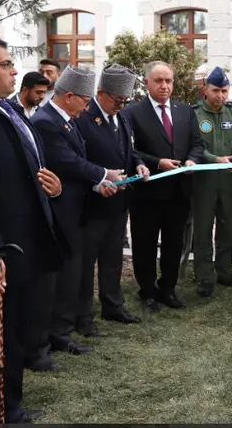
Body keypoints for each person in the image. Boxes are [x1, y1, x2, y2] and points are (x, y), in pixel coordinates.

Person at [0, 35, 65, 422]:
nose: (15, 70)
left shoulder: (7, 110)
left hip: (23, 237)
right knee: (2, 331)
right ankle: (2, 407)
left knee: (15, 324)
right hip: (1, 245)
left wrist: (53, 186)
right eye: (5, 64)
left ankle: (6, 399)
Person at [30, 66, 125, 361]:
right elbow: (66, 160)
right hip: (60, 210)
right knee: (62, 276)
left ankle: (62, 330)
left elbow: (75, 162)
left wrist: (97, 186)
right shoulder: (47, 122)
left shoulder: (66, 120)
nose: (86, 108)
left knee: (71, 274)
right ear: (69, 96)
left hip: (74, 206)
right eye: (84, 102)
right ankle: (57, 334)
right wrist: (103, 174)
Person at [124, 61, 205, 311]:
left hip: (179, 192)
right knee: (145, 243)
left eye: (168, 81)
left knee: (173, 243)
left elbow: (197, 143)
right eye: (158, 81)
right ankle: (147, 291)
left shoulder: (184, 111)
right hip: (147, 193)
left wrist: (192, 159)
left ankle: (168, 289)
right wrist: (157, 162)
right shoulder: (132, 112)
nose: (164, 86)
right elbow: (129, 150)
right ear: (147, 83)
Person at [77, 64, 147, 326]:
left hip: (119, 202)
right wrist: (99, 181)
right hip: (92, 203)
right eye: (118, 100)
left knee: (112, 257)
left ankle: (113, 305)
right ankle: (82, 315)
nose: (121, 105)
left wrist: (138, 163)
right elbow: (78, 160)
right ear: (101, 93)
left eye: (125, 100)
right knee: (86, 263)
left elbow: (129, 148)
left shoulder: (123, 116)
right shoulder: (83, 116)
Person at [191, 67, 232, 298]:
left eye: (224, 91)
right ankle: (205, 277)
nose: (221, 96)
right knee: (203, 231)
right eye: (216, 91)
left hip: (229, 182)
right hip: (204, 183)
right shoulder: (194, 114)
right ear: (205, 89)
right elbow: (194, 146)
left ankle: (225, 272)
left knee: (228, 229)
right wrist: (215, 160)